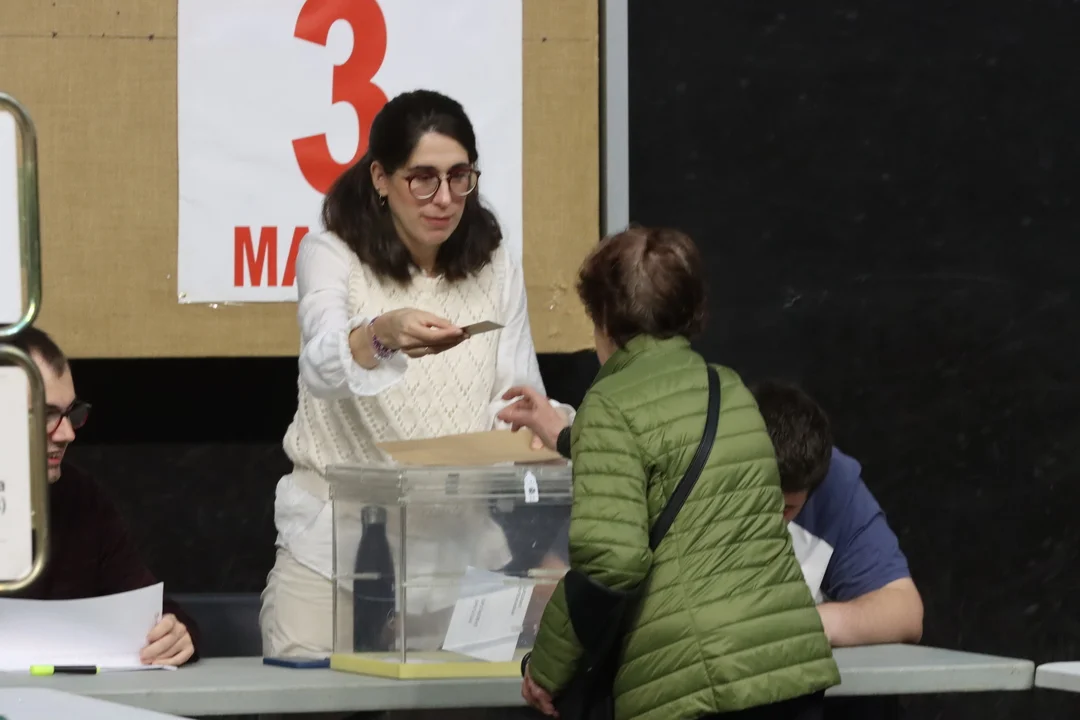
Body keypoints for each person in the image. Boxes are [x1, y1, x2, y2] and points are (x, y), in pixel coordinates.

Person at [261, 89, 571, 657]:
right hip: (333, 551)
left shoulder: (495, 262)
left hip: (457, 558)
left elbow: (514, 397)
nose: (444, 198)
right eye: (422, 178)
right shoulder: (332, 252)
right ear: (381, 178)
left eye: (459, 177)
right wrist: (380, 334)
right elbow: (322, 365)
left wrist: (540, 431)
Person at [512, 227, 838, 720]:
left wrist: (545, 668)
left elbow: (611, 564)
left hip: (697, 682)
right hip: (787, 669)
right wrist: (566, 437)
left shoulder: (609, 404)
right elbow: (665, 445)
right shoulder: (727, 388)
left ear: (605, 319)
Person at [6, 327, 198, 666]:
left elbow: (153, 612)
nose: (67, 434)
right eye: (47, 415)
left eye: (70, 413)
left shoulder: (81, 499)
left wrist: (175, 634)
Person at [749, 380, 924, 647]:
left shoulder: (833, 484)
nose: (770, 519)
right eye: (759, 503)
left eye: (786, 508)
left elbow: (904, 609)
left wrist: (808, 624)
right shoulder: (692, 472)